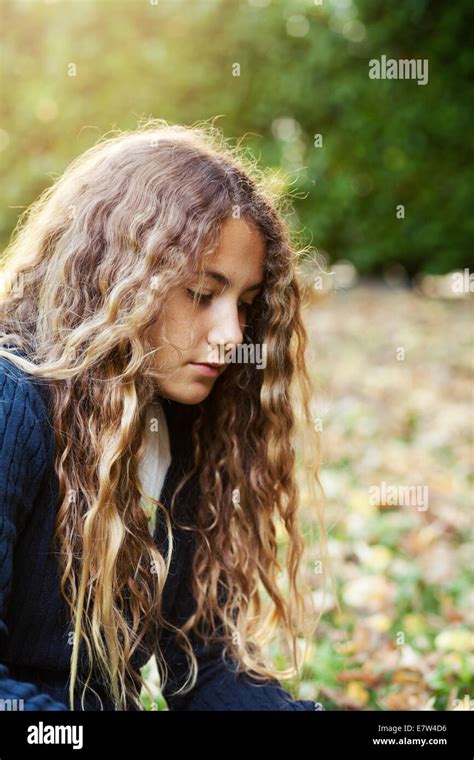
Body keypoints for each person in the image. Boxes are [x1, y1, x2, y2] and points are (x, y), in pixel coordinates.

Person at [0, 120, 329, 711]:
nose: (232, 335)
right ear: (114, 281)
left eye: (246, 304)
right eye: (203, 294)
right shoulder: (11, 404)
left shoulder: (182, 422)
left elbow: (205, 667)